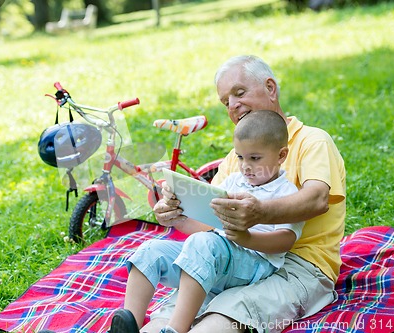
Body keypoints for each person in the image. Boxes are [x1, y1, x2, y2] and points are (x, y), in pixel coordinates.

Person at [112, 54, 346, 333]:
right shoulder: (237, 160)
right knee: (162, 321)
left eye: (239, 92)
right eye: (226, 101)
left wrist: (257, 213)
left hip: (300, 267)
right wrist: (176, 215)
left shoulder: (313, 140)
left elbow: (317, 199)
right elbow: (212, 224)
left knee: (217, 321)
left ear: (270, 88)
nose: (233, 105)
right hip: (229, 258)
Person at [110, 110, 305, 333]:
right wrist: (178, 219)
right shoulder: (233, 182)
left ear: (281, 156)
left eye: (255, 158)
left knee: (203, 243)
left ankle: (176, 328)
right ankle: (129, 324)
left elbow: (286, 240)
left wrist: (246, 238)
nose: (245, 166)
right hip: (216, 257)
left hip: (255, 264)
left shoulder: (287, 193)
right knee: (151, 250)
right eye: (240, 157)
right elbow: (210, 225)